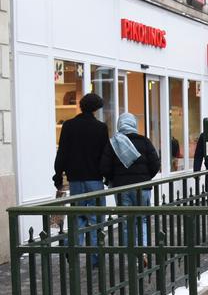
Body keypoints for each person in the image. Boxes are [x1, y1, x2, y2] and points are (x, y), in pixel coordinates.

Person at [53, 92, 109, 263]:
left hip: (75, 179)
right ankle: (95, 257)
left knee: (77, 215)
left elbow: (62, 152)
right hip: (94, 179)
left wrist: (58, 174)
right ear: (96, 109)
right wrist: (106, 174)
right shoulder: (100, 128)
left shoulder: (69, 126)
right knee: (96, 218)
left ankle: (74, 249)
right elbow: (104, 154)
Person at [100, 113, 161, 250]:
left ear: (119, 125)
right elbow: (155, 164)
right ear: (134, 124)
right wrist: (145, 177)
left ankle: (131, 251)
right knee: (143, 219)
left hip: (122, 188)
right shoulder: (144, 141)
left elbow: (104, 167)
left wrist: (113, 179)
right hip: (142, 187)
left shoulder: (113, 142)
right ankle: (143, 249)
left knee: (126, 221)